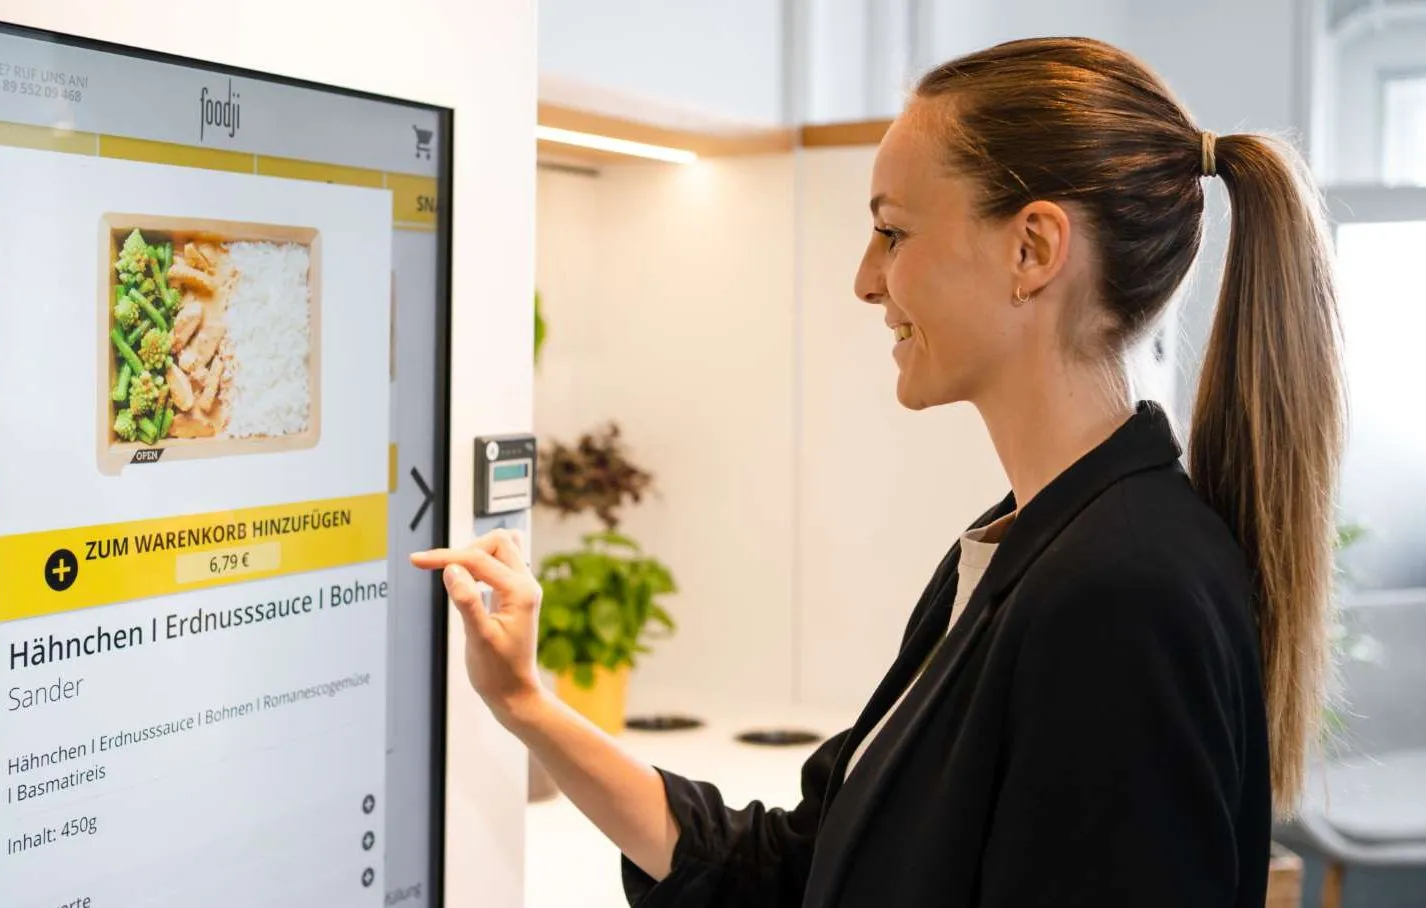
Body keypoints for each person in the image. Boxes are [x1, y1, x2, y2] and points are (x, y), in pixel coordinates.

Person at [412, 35, 1342, 908]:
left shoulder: (1122, 592)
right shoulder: (1024, 549)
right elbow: (796, 867)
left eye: (893, 233)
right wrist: (528, 705)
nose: (866, 280)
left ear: (1033, 250)